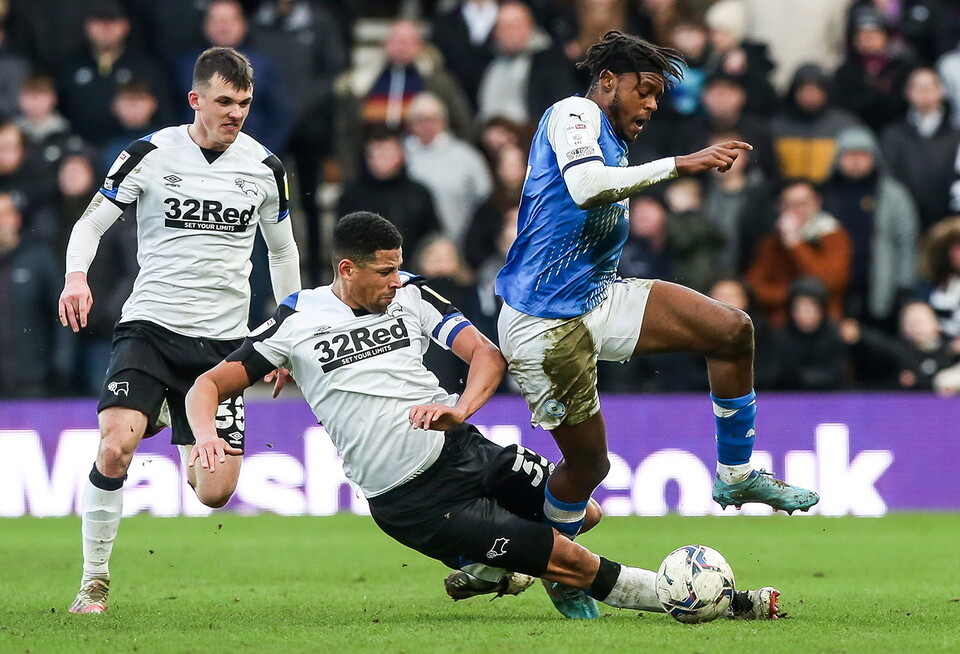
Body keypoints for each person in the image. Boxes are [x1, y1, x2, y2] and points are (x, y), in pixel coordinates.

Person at [184, 211, 782, 622]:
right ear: (347, 269)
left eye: (399, 268)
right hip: (412, 499)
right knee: (569, 559)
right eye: (384, 271)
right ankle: (722, 602)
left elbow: (485, 355)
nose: (397, 281)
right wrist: (207, 435)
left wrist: (460, 408)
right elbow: (208, 384)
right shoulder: (297, 322)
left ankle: (503, 569)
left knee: (584, 511)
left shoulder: (414, 295)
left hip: (466, 449)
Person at [494, 31, 819, 619]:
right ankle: (558, 567)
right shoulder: (574, 113)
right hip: (544, 321)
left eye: (659, 99)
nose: (650, 106)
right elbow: (584, 187)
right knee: (591, 466)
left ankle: (736, 473)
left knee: (731, 330)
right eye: (644, 92)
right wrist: (683, 164)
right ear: (609, 81)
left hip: (596, 297)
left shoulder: (614, 139)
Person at [57, 47, 302, 615]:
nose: (235, 112)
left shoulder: (266, 168)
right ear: (196, 100)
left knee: (215, 493)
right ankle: (94, 580)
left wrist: (285, 327)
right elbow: (91, 220)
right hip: (150, 329)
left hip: (221, 350)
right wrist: (75, 277)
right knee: (115, 448)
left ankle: (177, 409)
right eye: (223, 101)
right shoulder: (148, 153)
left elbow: (283, 249)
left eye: (243, 103)